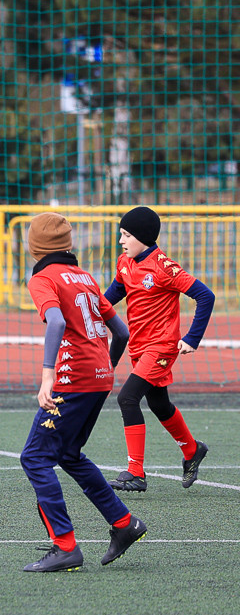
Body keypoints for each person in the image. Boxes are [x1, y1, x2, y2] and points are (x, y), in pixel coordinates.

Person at [20, 212, 145, 572]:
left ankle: (65, 547)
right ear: (67, 244)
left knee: (35, 458)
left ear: (35, 246)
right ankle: (124, 524)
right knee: (70, 454)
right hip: (100, 376)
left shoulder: (44, 277)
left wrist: (47, 377)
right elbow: (120, 332)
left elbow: (57, 321)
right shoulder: (85, 277)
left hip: (72, 378)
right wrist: (104, 366)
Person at [104, 207, 215, 492]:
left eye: (126, 235)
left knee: (127, 398)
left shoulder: (164, 267)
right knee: (158, 403)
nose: (122, 241)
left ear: (143, 237)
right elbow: (114, 294)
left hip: (161, 346)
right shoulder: (125, 263)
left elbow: (205, 296)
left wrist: (192, 338)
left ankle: (135, 472)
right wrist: (89, 311)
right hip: (139, 347)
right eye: (121, 234)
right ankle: (192, 450)